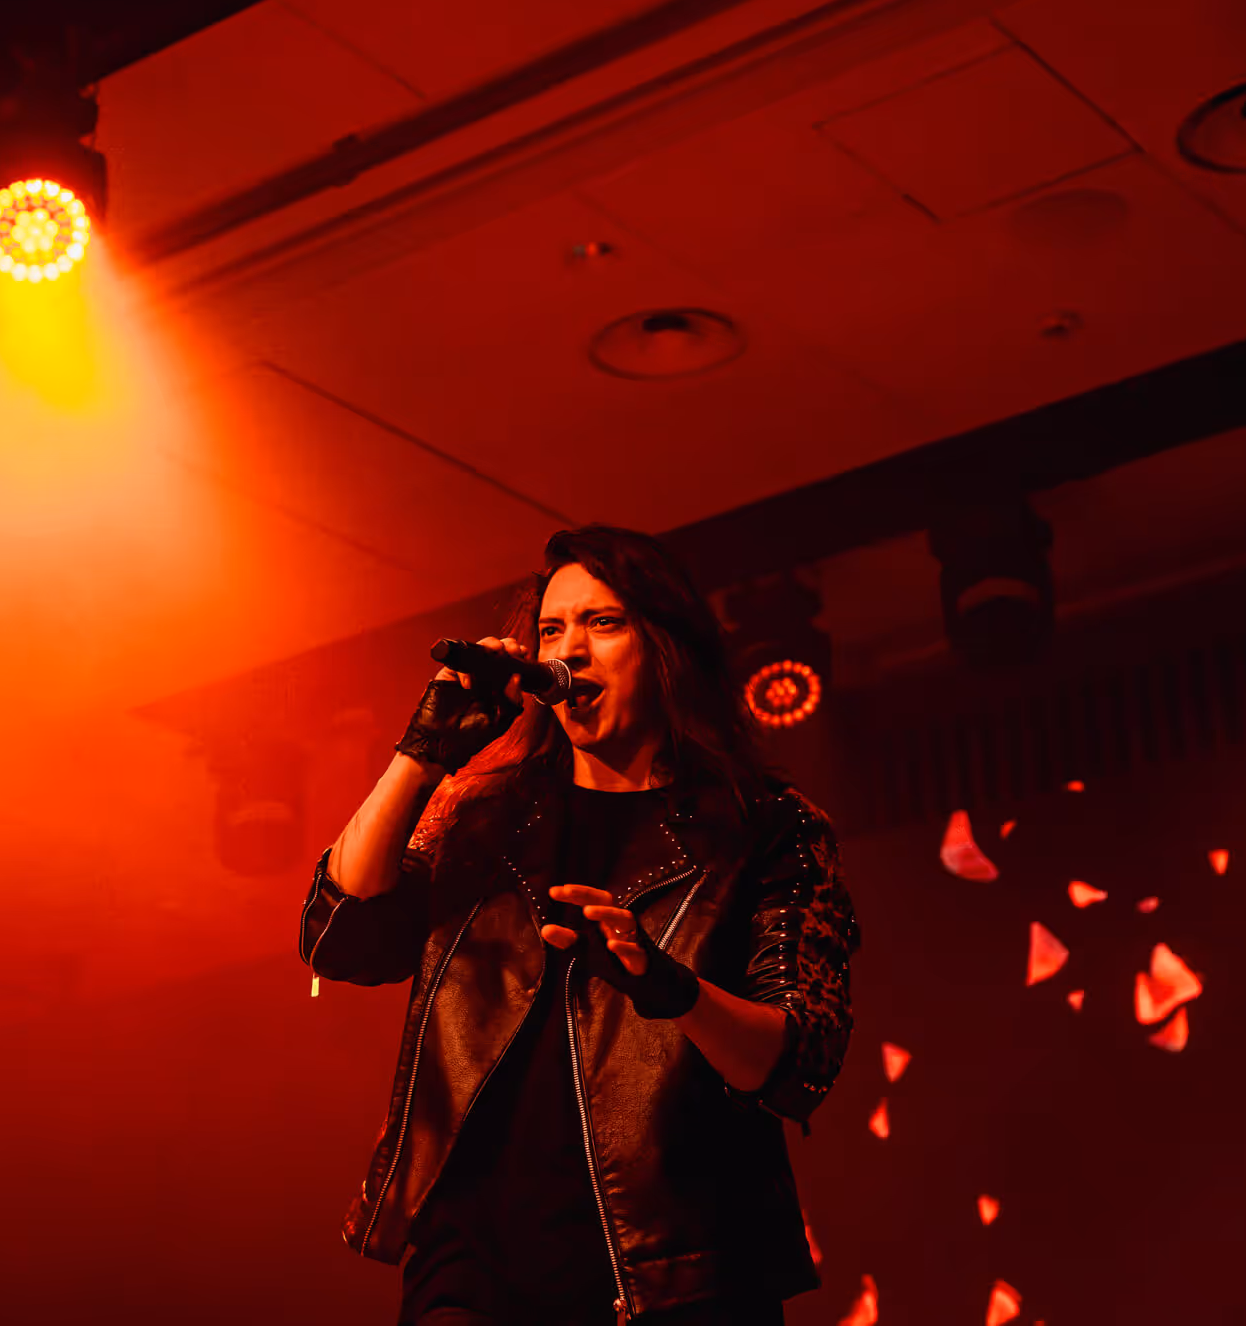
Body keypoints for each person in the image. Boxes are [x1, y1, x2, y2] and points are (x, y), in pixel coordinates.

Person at [298, 526, 858, 1326]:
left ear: (664, 646)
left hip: (681, 1273)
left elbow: (799, 1062)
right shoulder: (482, 813)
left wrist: (670, 987)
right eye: (553, 629)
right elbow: (339, 937)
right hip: (472, 1270)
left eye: (603, 622)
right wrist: (423, 752)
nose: (570, 650)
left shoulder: (764, 827)